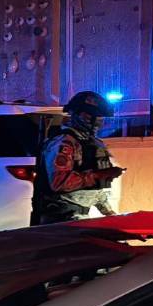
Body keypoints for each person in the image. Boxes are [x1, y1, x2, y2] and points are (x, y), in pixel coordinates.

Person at [30, 91, 124, 226]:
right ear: (77, 114)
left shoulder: (94, 143)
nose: (98, 121)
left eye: (100, 116)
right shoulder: (64, 143)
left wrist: (111, 214)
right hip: (60, 218)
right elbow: (59, 183)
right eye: (92, 115)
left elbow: (95, 192)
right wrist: (98, 175)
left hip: (80, 216)